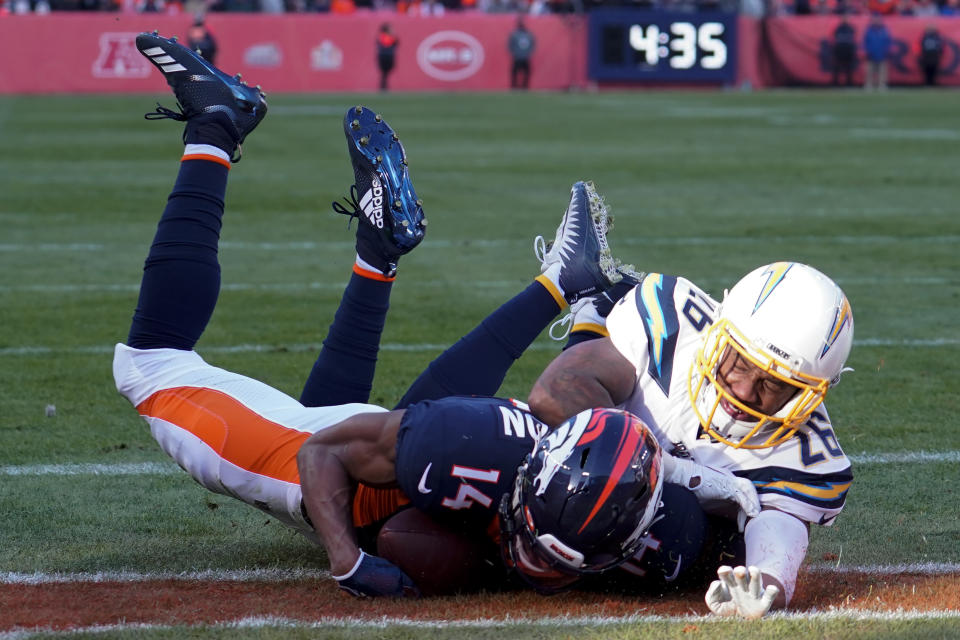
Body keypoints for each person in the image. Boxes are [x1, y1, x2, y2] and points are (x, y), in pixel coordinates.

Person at [118, 32, 761, 602]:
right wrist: (347, 562)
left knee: (345, 415)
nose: (537, 563)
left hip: (427, 458)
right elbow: (326, 450)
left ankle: (518, 277)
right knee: (153, 365)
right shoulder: (473, 449)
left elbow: (722, 533)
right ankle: (216, 126)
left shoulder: (668, 538)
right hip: (380, 467)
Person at [863, 14, 892, 90]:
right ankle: (869, 84)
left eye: (878, 20)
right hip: (871, 54)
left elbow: (888, 41)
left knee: (882, 71)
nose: (876, 21)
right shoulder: (869, 30)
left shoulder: (884, 30)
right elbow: (865, 42)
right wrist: (868, 51)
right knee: (869, 71)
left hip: (882, 54)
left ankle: (882, 85)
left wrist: (886, 50)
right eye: (875, 20)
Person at [508, 16, 535, 90]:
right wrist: (514, 53)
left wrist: (528, 53)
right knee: (515, 72)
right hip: (518, 57)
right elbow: (510, 45)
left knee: (525, 72)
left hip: (524, 57)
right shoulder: (515, 34)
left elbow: (532, 45)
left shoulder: (527, 34)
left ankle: (524, 86)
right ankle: (515, 86)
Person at [832, 18, 857, 86]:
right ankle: (836, 82)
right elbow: (836, 39)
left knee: (848, 67)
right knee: (838, 67)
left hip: (847, 50)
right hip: (840, 50)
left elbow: (852, 39)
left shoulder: (850, 28)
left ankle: (849, 82)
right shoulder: (839, 28)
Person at [376, 23, 398, 92]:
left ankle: (384, 85)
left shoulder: (388, 36)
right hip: (385, 56)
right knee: (384, 72)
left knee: (386, 72)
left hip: (388, 56)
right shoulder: (383, 37)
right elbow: (387, 43)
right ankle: (383, 86)